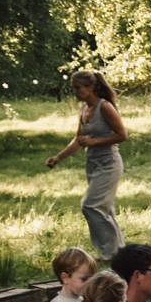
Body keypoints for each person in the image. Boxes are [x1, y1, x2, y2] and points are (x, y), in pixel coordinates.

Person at [45, 70, 126, 259]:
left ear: (91, 87)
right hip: (93, 164)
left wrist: (94, 142)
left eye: (78, 87)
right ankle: (118, 251)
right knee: (103, 208)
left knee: (91, 205)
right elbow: (78, 140)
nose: (74, 91)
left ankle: (110, 252)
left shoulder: (104, 107)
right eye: (73, 87)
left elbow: (122, 135)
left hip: (109, 163)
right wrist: (58, 158)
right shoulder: (83, 109)